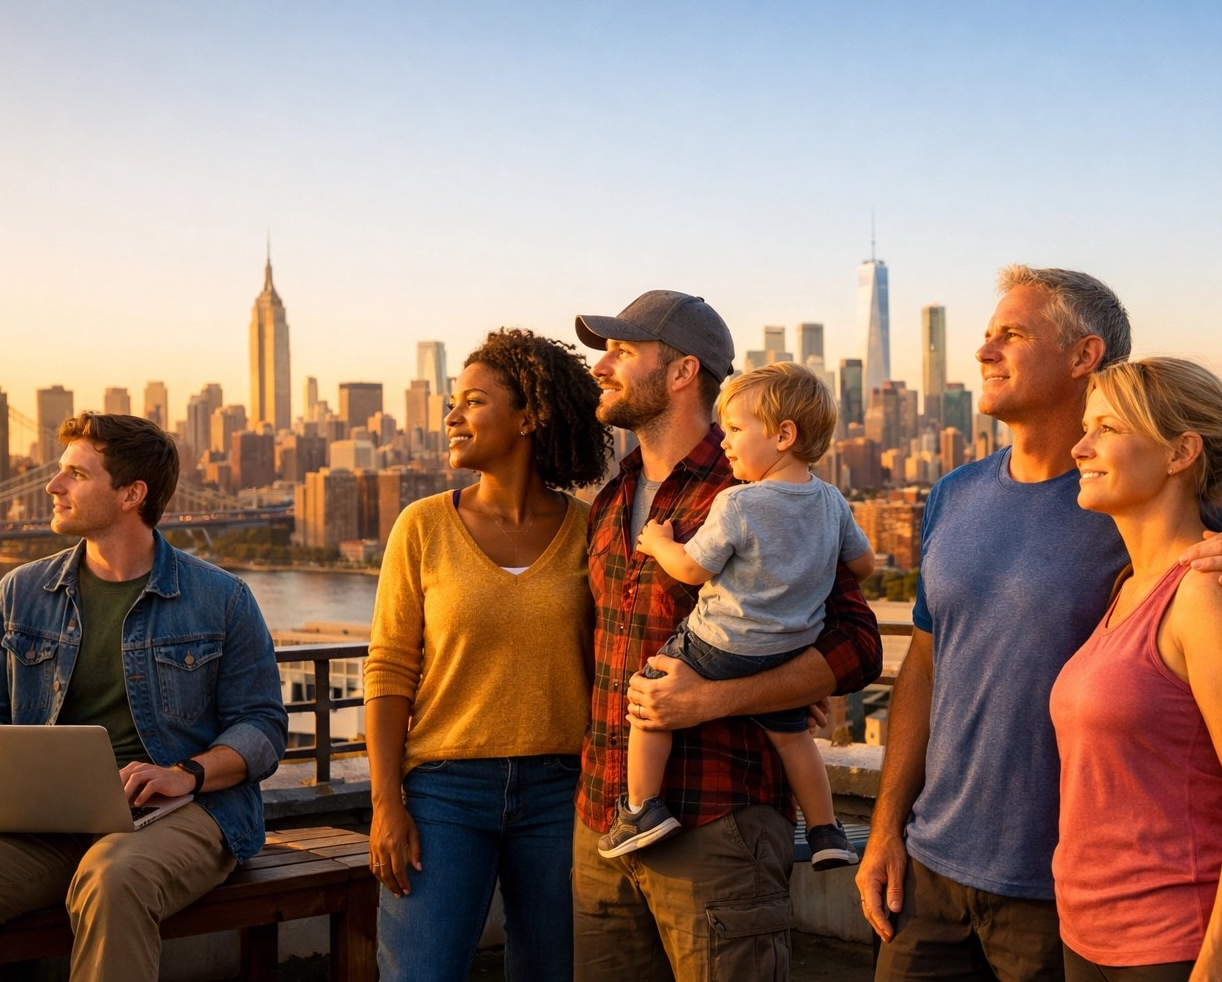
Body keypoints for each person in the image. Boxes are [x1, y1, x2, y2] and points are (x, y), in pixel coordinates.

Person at [856, 265, 1222, 982]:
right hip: (932, 871)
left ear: (1084, 355)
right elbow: (927, 666)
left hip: (1068, 903)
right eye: (985, 335)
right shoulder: (956, 495)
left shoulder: (1155, 513)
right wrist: (887, 825)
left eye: (1010, 335)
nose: (983, 351)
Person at [0, 413, 287, 981]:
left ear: (131, 493)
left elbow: (263, 727)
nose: (53, 486)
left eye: (75, 473)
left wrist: (187, 773)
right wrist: (5, 767)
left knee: (112, 879)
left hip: (181, 813)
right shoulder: (21, 592)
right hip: (44, 818)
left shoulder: (221, 599)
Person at [571, 290, 883, 981]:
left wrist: (718, 699)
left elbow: (859, 644)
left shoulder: (764, 490)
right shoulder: (614, 496)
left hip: (720, 827)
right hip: (603, 821)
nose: (602, 366)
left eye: (623, 350)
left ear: (683, 372)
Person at [363, 328, 611, 982]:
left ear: (530, 416)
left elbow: (619, 652)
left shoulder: (590, 528)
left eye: (473, 401)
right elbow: (389, 671)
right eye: (452, 401)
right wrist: (386, 802)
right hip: (442, 791)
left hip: (562, 790)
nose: (451, 416)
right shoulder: (421, 526)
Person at [1052, 357, 1222, 979]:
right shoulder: (1130, 587)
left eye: (1106, 427)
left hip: (1186, 947)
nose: (1080, 447)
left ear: (1179, 452)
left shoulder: (1212, 594)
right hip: (1093, 938)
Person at [597, 361, 874, 869]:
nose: (726, 441)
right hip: (787, 645)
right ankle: (827, 831)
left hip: (720, 652)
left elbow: (692, 569)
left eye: (737, 430)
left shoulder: (735, 501)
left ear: (784, 435)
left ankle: (641, 808)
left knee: (650, 695)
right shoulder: (832, 501)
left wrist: (659, 543)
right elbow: (863, 564)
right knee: (795, 740)